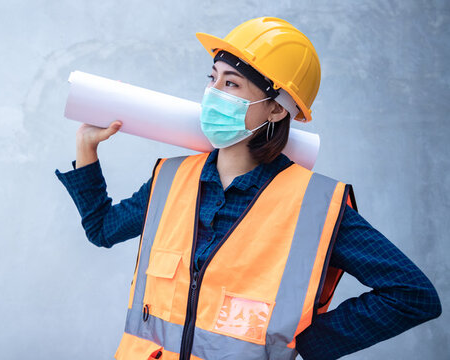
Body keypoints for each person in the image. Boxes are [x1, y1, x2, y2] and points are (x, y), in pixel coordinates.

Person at [55, 17, 441, 360]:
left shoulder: (313, 206)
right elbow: (102, 229)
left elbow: (412, 295)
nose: (213, 93)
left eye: (231, 83)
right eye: (213, 78)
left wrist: (304, 342)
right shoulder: (171, 179)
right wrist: (86, 146)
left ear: (276, 109)